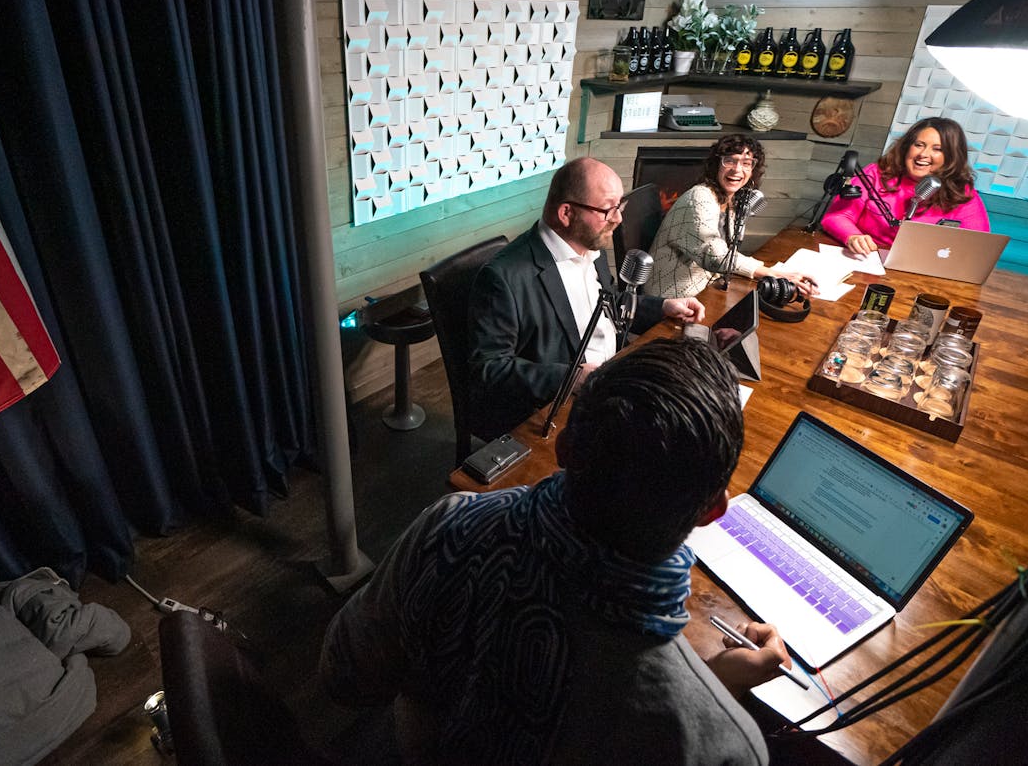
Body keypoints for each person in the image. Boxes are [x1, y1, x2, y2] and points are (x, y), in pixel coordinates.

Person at [321, 339, 788, 766]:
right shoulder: (723, 746)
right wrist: (708, 690)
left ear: (564, 447)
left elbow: (344, 676)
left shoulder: (450, 524)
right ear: (712, 511)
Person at [466, 158, 704, 438]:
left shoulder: (592, 246)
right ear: (567, 213)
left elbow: (609, 302)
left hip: (613, 378)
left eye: (620, 206)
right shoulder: (503, 277)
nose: (618, 219)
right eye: (608, 209)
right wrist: (573, 377)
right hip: (558, 407)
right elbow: (489, 369)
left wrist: (663, 306)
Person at [645, 134, 818, 300]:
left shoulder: (731, 199)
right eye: (729, 161)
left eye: (746, 163)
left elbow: (728, 252)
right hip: (673, 298)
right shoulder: (700, 197)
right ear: (716, 165)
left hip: (706, 289)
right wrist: (774, 273)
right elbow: (715, 256)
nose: (737, 169)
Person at [822, 117, 990, 256]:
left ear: (951, 156)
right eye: (919, 145)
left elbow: (978, 248)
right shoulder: (876, 174)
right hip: (866, 259)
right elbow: (836, 216)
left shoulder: (963, 194)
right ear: (907, 147)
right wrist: (853, 237)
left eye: (937, 149)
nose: (923, 154)